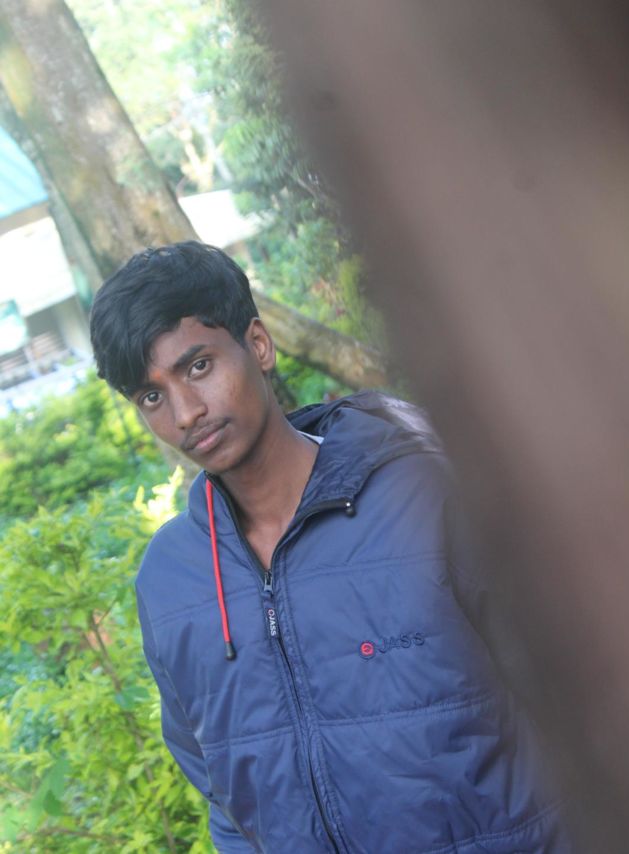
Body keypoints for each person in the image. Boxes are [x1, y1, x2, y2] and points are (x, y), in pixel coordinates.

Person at [90, 241, 573, 853]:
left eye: (199, 366)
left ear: (258, 345)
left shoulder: (425, 496)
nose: (185, 413)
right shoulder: (170, 582)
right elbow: (225, 798)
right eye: (151, 396)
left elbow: (574, 701)